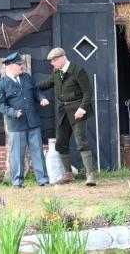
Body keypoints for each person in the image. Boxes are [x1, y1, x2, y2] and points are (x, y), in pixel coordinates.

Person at [37, 47, 96, 186]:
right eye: (52, 61)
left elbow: (88, 92)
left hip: (77, 110)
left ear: (63, 58)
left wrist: (82, 108)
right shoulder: (56, 72)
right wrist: (31, 88)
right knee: (61, 143)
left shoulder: (78, 70)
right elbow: (47, 83)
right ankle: (68, 175)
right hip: (63, 110)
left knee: (81, 142)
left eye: (55, 60)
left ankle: (90, 175)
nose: (53, 63)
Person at [0, 52, 50, 188]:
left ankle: (43, 180)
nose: (22, 68)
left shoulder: (26, 77)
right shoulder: (0, 84)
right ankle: (17, 182)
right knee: (17, 155)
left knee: (38, 152)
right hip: (17, 124)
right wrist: (13, 112)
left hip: (33, 121)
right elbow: (0, 105)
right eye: (20, 65)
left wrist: (41, 98)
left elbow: (35, 91)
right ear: (12, 66)